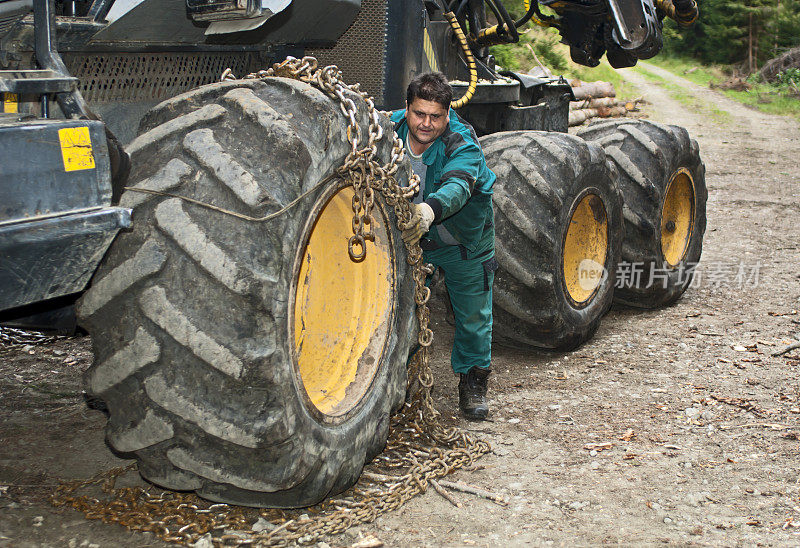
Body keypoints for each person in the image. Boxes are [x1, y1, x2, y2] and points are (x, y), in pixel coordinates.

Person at [390, 72, 497, 420]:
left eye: (436, 116)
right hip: (413, 239)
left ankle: (473, 381)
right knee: (398, 308)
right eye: (419, 114)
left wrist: (428, 210)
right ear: (406, 108)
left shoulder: (461, 142)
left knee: (473, 315)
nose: (426, 123)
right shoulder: (386, 131)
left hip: (463, 241)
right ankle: (398, 379)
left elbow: (460, 184)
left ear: (447, 115)